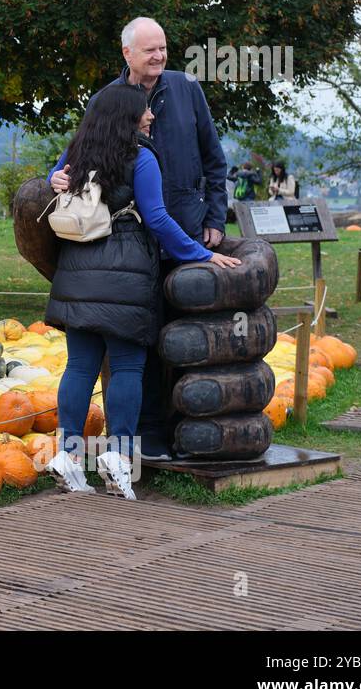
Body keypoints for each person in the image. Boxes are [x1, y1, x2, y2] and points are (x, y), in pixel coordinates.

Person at [44, 85, 241, 499]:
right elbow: (156, 218)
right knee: (128, 367)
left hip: (76, 269)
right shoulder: (141, 156)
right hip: (125, 274)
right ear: (128, 117)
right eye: (143, 112)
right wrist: (202, 253)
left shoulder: (80, 150)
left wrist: (52, 175)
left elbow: (57, 176)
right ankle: (118, 457)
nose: (150, 117)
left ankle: (68, 454)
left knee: (79, 367)